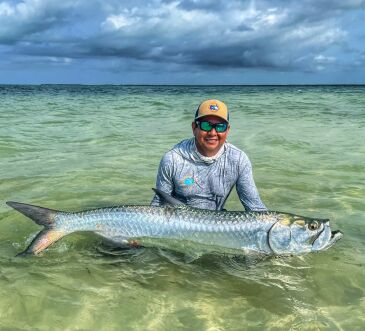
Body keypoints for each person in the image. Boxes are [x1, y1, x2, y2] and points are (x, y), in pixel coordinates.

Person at [151, 99, 267, 211]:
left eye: (220, 126)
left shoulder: (238, 160)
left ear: (227, 130)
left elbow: (255, 208)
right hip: (177, 225)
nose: (212, 133)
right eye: (206, 125)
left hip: (215, 227)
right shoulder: (173, 159)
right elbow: (158, 206)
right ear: (194, 128)